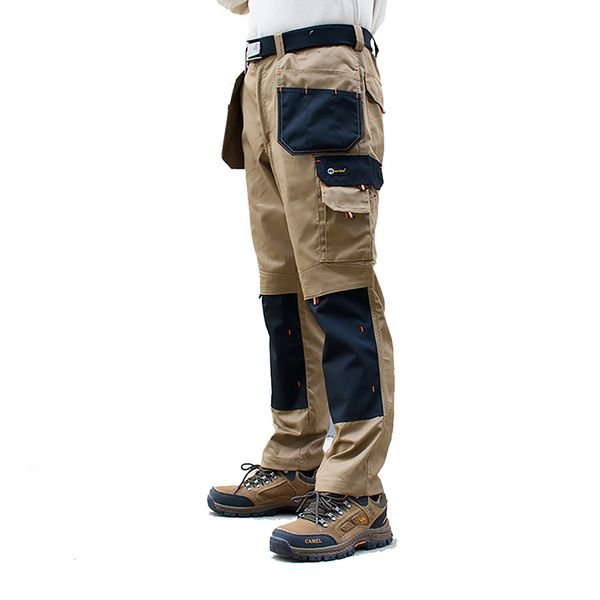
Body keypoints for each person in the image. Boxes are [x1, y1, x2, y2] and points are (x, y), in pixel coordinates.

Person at [209, 0, 394, 562]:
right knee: (282, 291)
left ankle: (357, 489)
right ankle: (298, 457)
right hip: (259, 79)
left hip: (326, 71)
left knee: (339, 285)